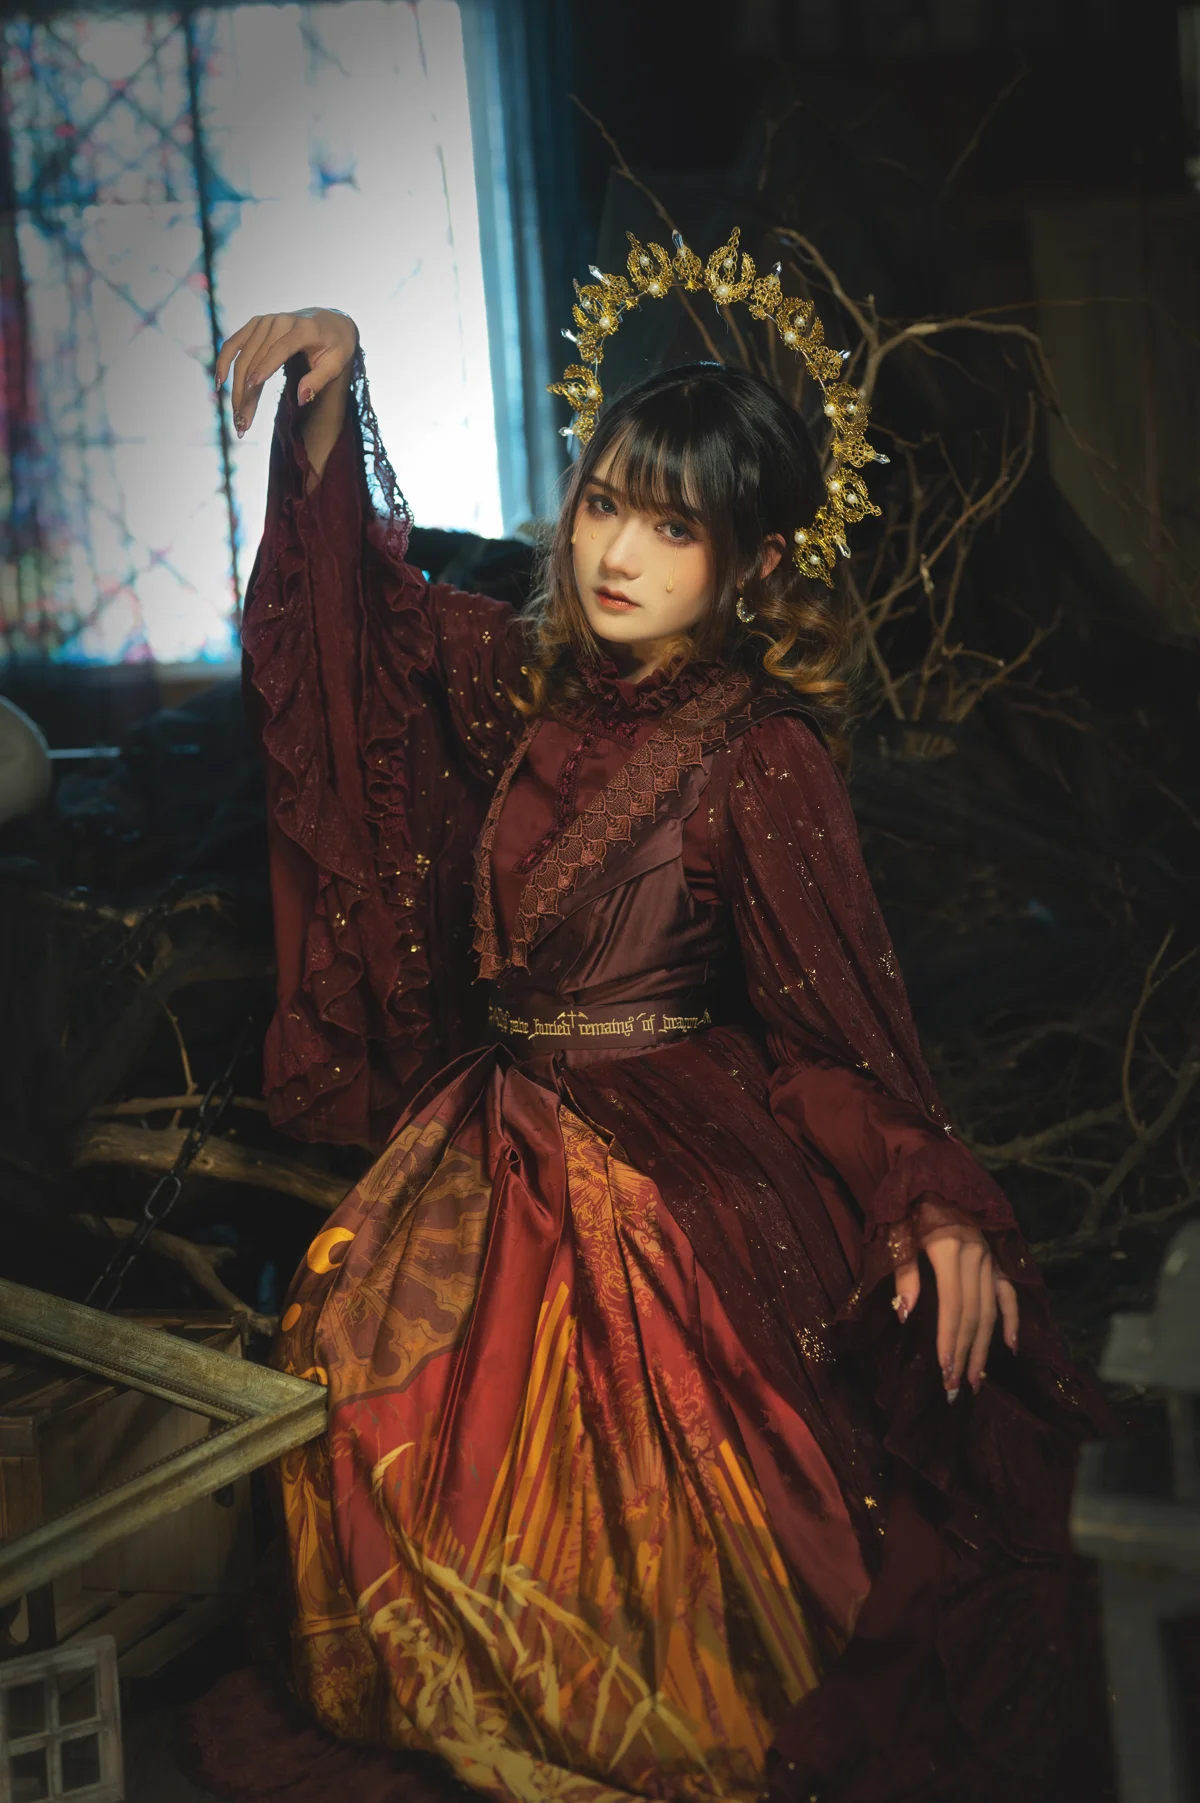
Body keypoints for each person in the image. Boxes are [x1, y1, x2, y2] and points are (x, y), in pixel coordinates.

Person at [199, 294, 1113, 1803]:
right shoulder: (525, 681)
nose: (617, 553)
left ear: (755, 561)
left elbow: (831, 1042)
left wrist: (932, 1199)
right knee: (349, 1356)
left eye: (673, 529)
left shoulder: (763, 757)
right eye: (605, 505)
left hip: (670, 1154)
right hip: (490, 1130)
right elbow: (362, 626)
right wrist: (329, 403)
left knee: (641, 1486)